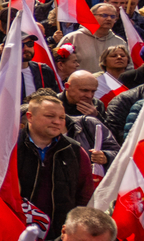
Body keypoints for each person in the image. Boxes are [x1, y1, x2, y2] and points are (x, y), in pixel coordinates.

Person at [18, 91, 95, 239]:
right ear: (30, 117)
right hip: (14, 232)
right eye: (50, 116)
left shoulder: (75, 151)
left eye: (62, 117)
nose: (57, 122)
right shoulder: (9, 148)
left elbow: (85, 197)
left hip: (60, 234)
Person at [61, 4, 127, 73]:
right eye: (104, 15)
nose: (109, 19)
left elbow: (129, 67)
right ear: (92, 17)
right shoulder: (73, 38)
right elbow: (60, 65)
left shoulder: (119, 42)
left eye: (113, 16)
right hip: (80, 79)